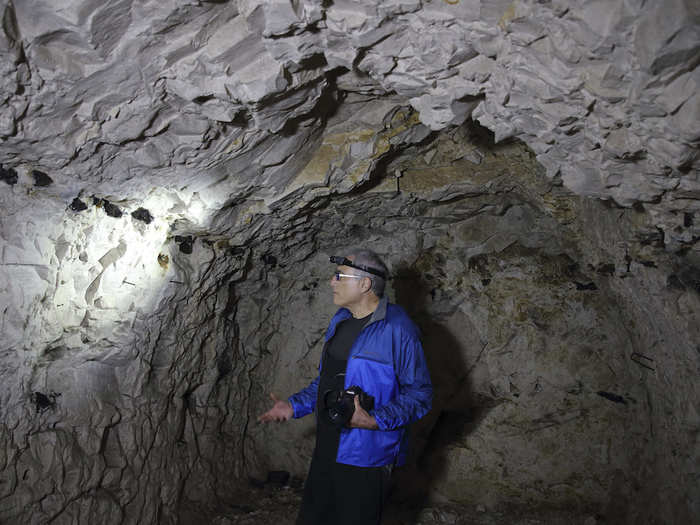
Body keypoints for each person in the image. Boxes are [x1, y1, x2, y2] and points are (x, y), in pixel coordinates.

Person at [258, 249, 433, 525]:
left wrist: (376, 419)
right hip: (328, 446)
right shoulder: (340, 320)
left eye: (340, 276)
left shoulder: (398, 330)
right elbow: (328, 381)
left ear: (365, 285)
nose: (332, 282)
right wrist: (294, 405)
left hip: (366, 455)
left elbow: (420, 395)